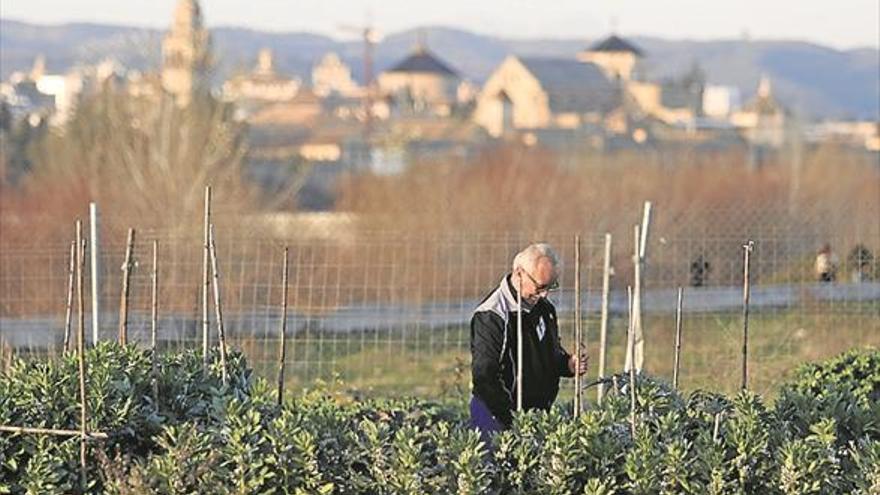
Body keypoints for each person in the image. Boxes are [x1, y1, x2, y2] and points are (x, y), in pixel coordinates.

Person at [469, 243, 588, 444]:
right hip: (495, 419)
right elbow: (485, 377)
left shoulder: (544, 308)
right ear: (519, 274)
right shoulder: (493, 315)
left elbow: (550, 353)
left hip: (535, 418)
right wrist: (512, 423)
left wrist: (567, 364)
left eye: (551, 286)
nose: (545, 294)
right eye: (540, 286)